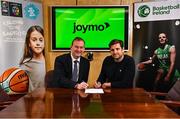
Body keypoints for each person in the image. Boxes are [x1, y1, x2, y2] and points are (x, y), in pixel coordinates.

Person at [19, 25, 46, 92]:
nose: (38, 43)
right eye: (34, 40)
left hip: (50, 100)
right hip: (34, 101)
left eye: (41, 40)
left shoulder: (52, 61)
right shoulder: (26, 64)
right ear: (29, 43)